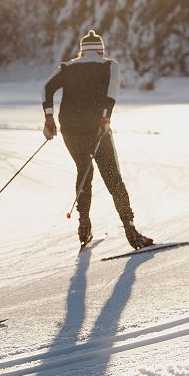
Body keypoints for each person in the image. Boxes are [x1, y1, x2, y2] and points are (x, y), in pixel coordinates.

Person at [42, 30, 153, 250]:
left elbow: (47, 88)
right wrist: (105, 117)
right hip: (96, 127)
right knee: (112, 176)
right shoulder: (109, 65)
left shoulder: (67, 67)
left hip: (70, 129)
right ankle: (131, 230)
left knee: (84, 171)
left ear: (82, 51)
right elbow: (111, 93)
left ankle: (84, 226)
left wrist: (48, 118)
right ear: (101, 49)